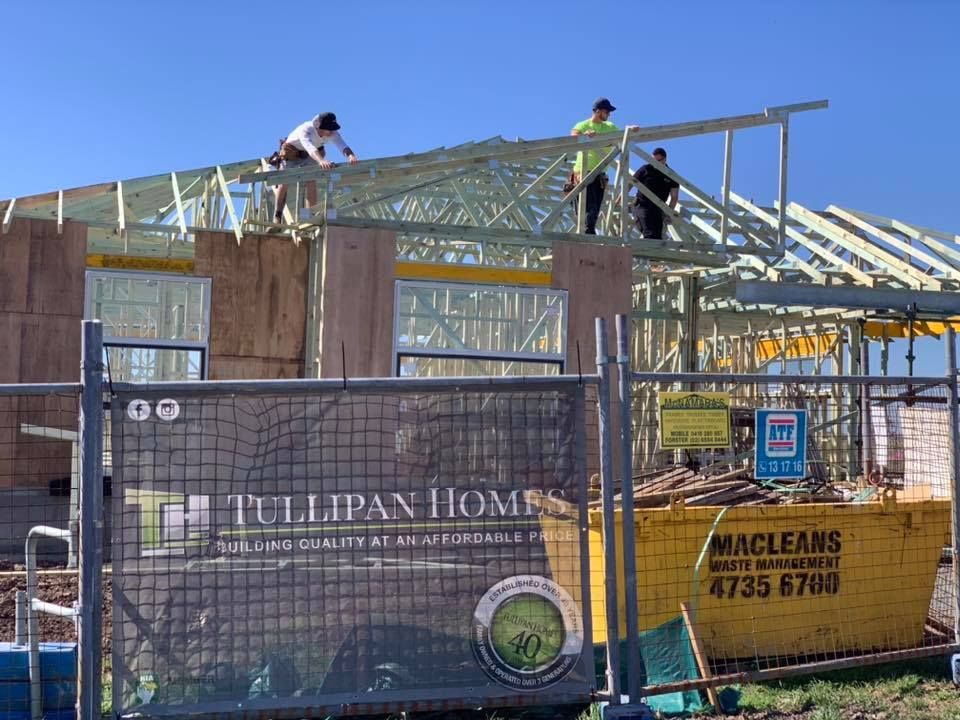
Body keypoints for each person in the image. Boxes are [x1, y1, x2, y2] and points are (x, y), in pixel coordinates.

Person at [270, 112, 359, 226]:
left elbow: (342, 145)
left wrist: (350, 156)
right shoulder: (306, 130)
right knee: (284, 182)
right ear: (319, 127)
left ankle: (310, 215)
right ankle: (278, 214)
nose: (331, 132)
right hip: (292, 153)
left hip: (310, 154)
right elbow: (310, 148)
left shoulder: (332, 133)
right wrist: (321, 161)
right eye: (329, 129)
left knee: (311, 179)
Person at [570, 98, 637, 234]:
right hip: (584, 171)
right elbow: (574, 135)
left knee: (596, 205)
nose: (609, 114)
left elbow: (621, 134)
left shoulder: (609, 127)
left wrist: (629, 130)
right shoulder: (584, 124)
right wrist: (585, 135)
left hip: (599, 174)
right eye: (607, 111)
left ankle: (589, 230)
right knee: (588, 206)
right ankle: (588, 232)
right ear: (598, 111)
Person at [632, 147, 680, 239]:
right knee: (649, 232)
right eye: (653, 160)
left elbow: (674, 197)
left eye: (658, 160)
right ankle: (645, 252)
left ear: (665, 159)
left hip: (658, 209)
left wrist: (668, 213)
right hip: (642, 205)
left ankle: (649, 252)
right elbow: (630, 183)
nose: (655, 163)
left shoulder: (670, 174)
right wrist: (619, 199)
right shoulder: (646, 169)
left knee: (657, 237)